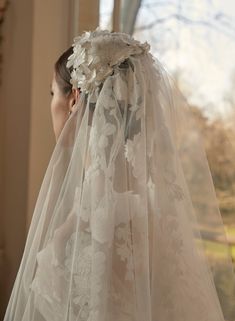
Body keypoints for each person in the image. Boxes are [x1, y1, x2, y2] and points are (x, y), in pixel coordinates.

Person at [3, 28, 235, 321]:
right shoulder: (148, 212)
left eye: (52, 93)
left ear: (74, 99)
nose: (51, 104)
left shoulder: (89, 223)